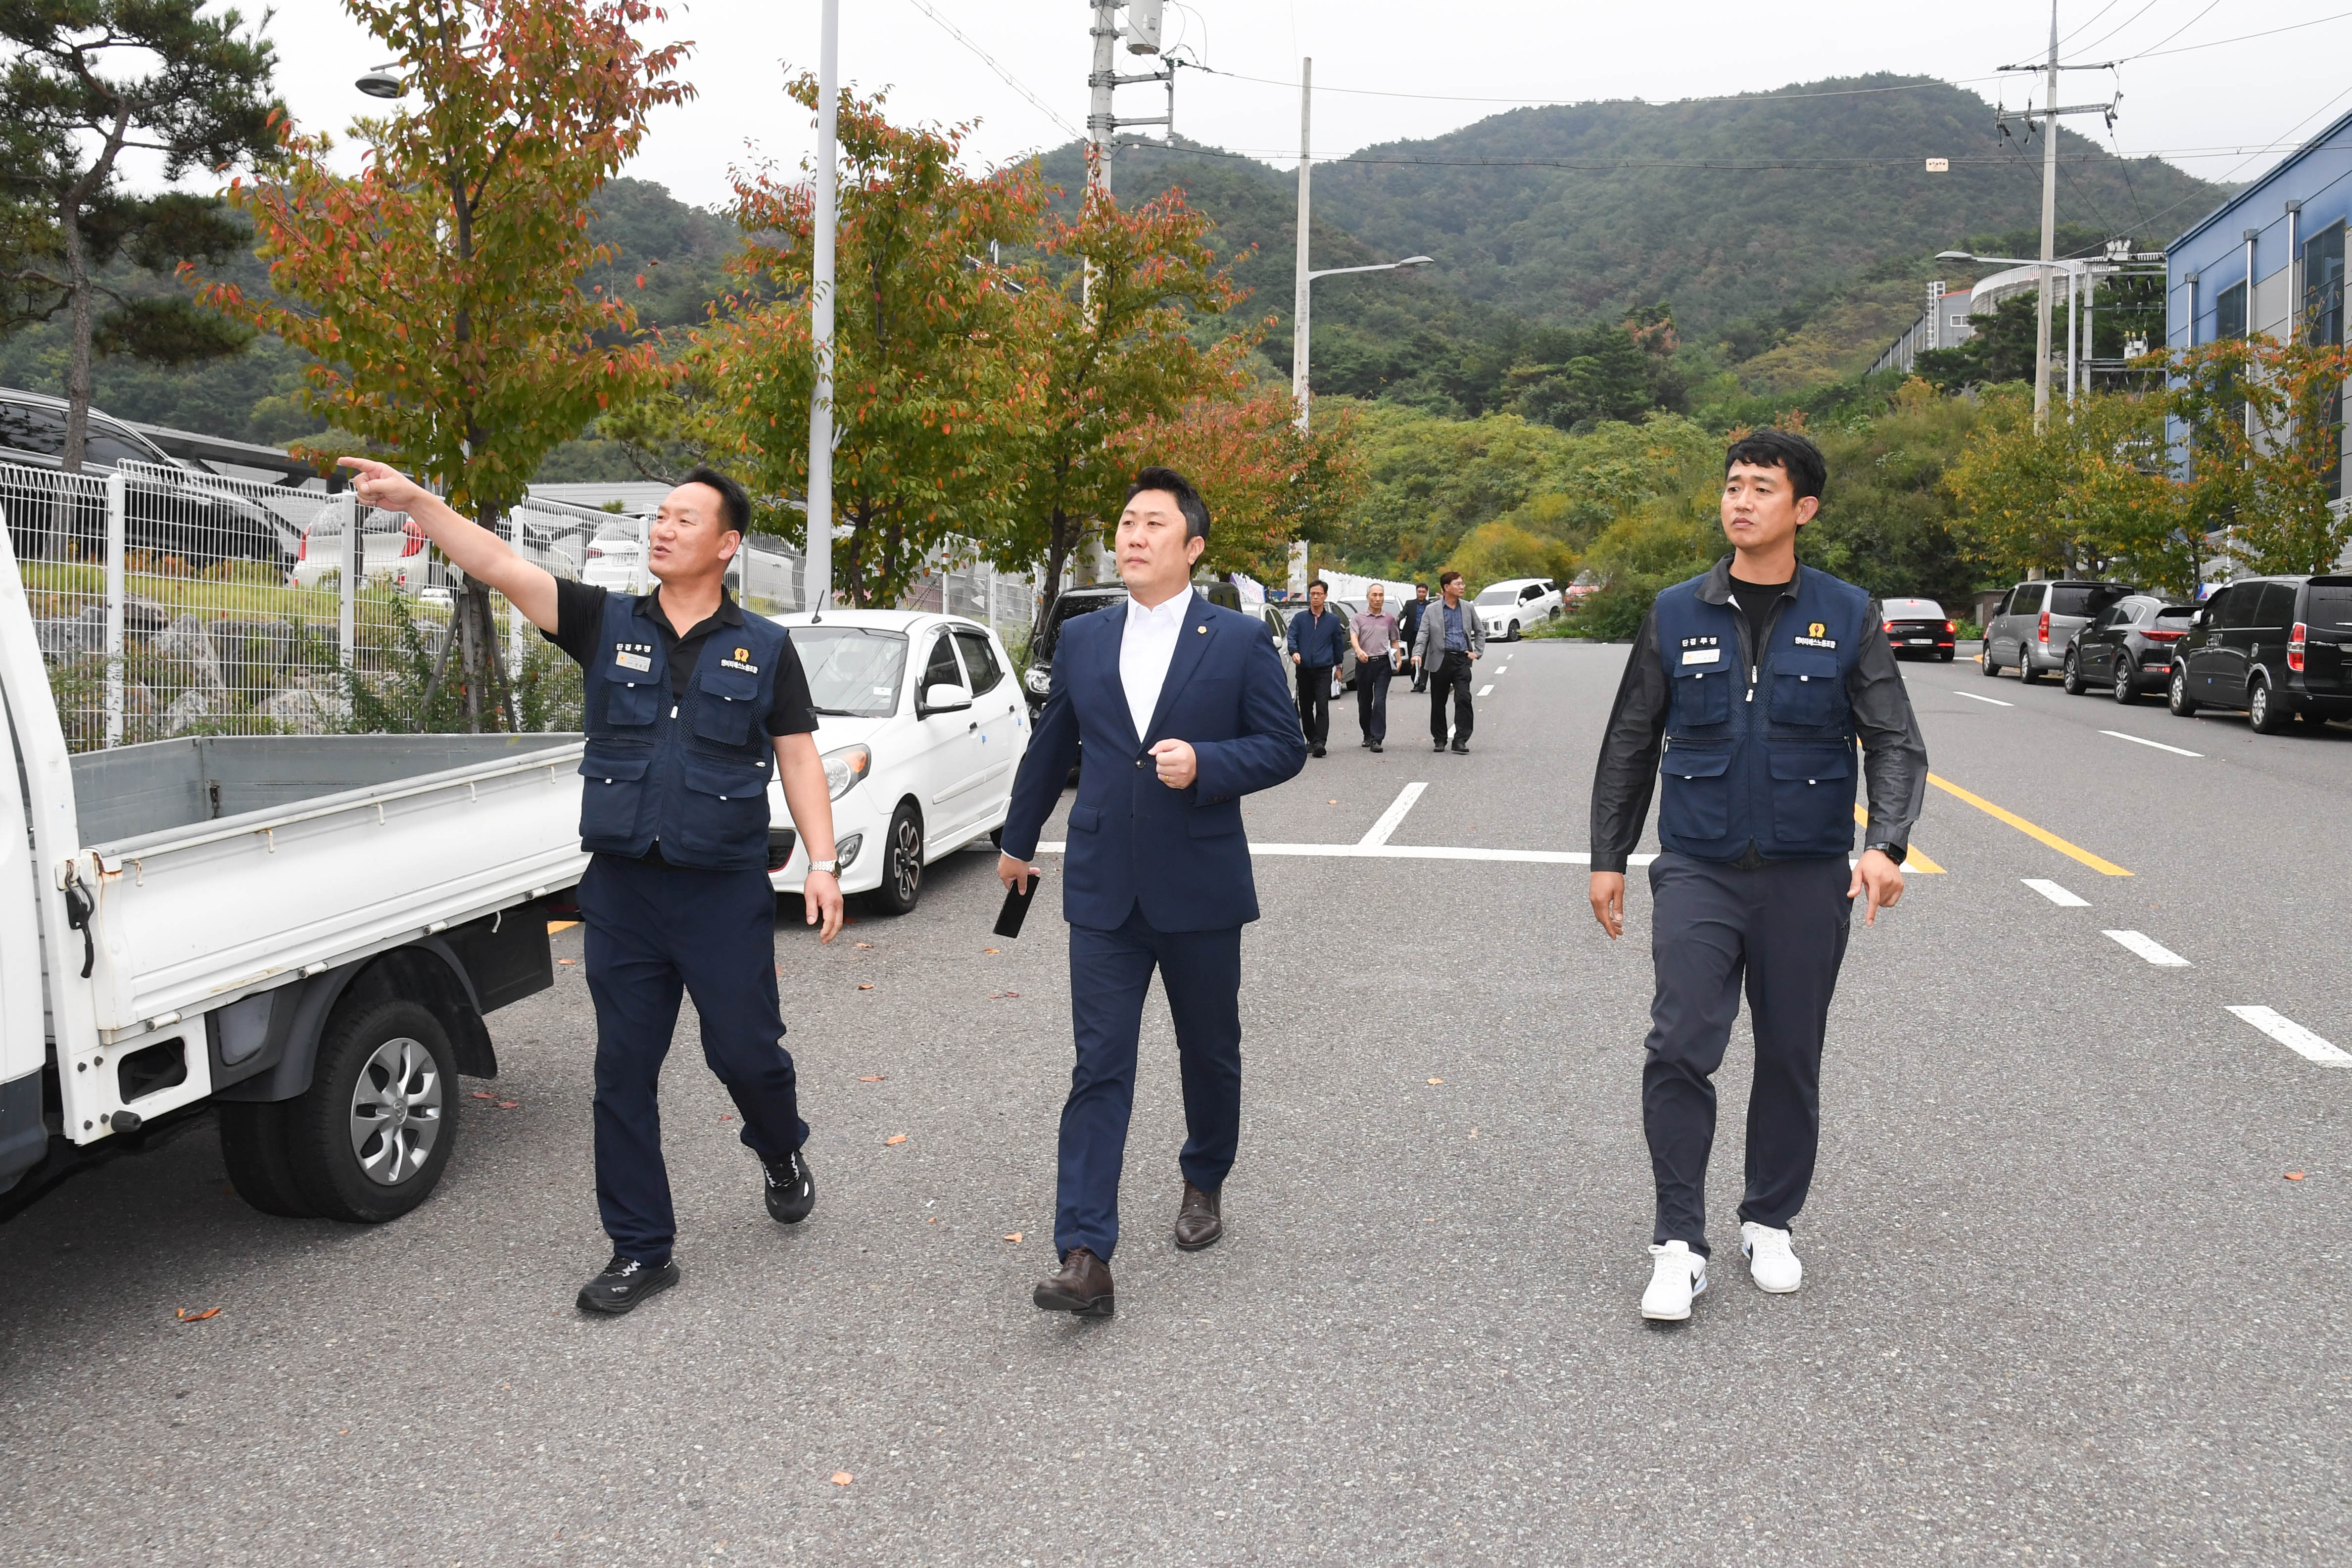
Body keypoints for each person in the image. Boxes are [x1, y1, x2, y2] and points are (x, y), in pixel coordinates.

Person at [337, 457, 847, 1318]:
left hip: (720, 891)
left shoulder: (765, 647)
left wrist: (824, 863)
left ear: (725, 544)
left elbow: (796, 753)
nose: (663, 527)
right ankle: (641, 1247)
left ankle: (779, 1146)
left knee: (746, 1053)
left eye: (685, 518)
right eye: (660, 516)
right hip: (624, 891)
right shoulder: (603, 621)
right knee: (622, 1071)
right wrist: (422, 500)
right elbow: (501, 565)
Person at [1585, 428, 1926, 1324]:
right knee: (1679, 1042)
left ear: (1801, 508)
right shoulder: (1673, 611)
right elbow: (1630, 739)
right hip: (1697, 864)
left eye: (1761, 487)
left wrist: (1885, 841)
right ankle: (1676, 1242)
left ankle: (1768, 1219)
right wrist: (1606, 856)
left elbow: (1892, 738)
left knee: (1787, 1050)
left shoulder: (1846, 612)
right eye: (1732, 485)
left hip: (1806, 874)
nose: (1740, 500)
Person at [997, 467, 1306, 1319]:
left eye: (1153, 524)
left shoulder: (1236, 639)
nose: (1132, 536)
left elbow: (1284, 746)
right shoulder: (1088, 637)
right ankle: (1084, 1248)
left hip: (1200, 883)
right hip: (1101, 886)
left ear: (1193, 545)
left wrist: (1207, 763)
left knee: (1208, 1051)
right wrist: (1017, 840)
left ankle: (1203, 1175)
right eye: (1127, 522)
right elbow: (1051, 739)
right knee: (1098, 1064)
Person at [1412, 569, 1484, 753]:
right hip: (1440, 659)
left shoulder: (1467, 607)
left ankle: (1460, 740)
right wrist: (1417, 653)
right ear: (1446, 587)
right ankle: (1440, 738)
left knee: (1464, 699)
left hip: (1462, 659)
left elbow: (1480, 631)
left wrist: (1477, 652)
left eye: (1462, 583)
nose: (1462, 587)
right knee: (1438, 701)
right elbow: (1423, 634)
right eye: (1458, 584)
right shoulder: (1432, 610)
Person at [1287, 579, 1347, 758]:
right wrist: (1294, 652)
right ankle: (1311, 738)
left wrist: (1339, 667)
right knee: (1305, 707)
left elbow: (1338, 645)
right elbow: (1292, 637)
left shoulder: (1333, 621)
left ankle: (1320, 741)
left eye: (1319, 594)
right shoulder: (1300, 619)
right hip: (1304, 669)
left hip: (1323, 669)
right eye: (1312, 594)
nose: (1315, 597)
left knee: (1322, 705)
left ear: (1325, 596)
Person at [1349, 585, 1399, 751]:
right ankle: (1367, 734)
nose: (1378, 599)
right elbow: (1354, 637)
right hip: (1364, 664)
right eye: (1375, 595)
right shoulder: (1358, 618)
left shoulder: (1390, 619)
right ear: (1368, 597)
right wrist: (1359, 651)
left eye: (1381, 595)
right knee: (1364, 701)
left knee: (1379, 700)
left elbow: (1394, 641)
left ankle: (1377, 738)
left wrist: (1398, 660)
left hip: (1383, 664)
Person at [1398, 583, 1432, 693]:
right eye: (1419, 592)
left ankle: (1423, 683)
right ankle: (1416, 682)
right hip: (1412, 636)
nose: (1421, 594)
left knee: (1425, 659)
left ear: (1427, 593)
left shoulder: (1431, 606)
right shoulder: (1410, 604)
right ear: (1416, 592)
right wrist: (1397, 620)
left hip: (1427, 636)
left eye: (1423, 592)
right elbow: (1402, 615)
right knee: (1413, 660)